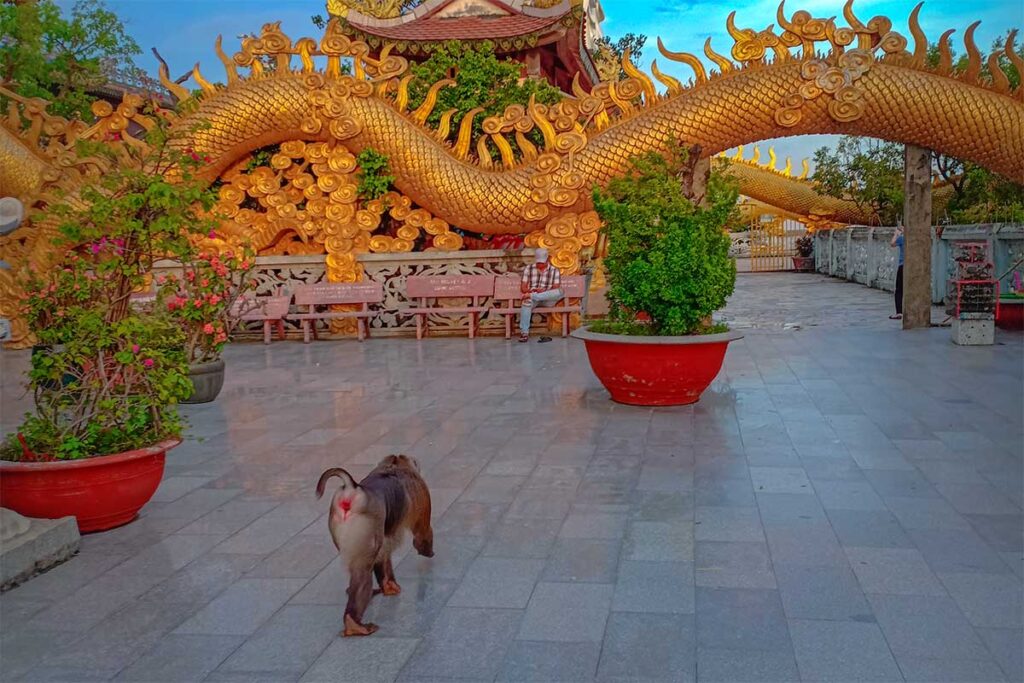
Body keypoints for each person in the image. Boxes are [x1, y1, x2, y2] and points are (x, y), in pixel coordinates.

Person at [518, 247, 562, 342]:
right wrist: (532, 291)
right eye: (538, 263)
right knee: (526, 302)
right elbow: (523, 288)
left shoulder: (555, 270)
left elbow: (555, 288)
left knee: (559, 292)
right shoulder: (528, 269)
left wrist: (544, 290)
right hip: (533, 297)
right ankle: (524, 333)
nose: (540, 265)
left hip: (548, 299)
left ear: (548, 260)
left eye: (542, 263)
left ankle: (533, 296)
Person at [890, 227, 904, 320]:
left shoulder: (902, 238)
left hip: (903, 266)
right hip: (914, 266)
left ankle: (899, 312)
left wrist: (896, 234)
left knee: (899, 290)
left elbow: (892, 244)